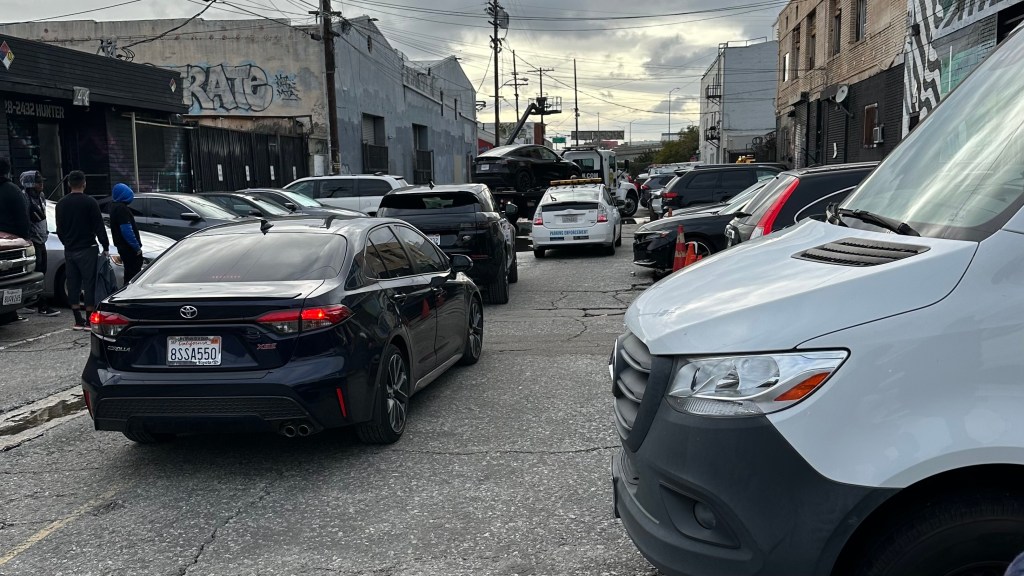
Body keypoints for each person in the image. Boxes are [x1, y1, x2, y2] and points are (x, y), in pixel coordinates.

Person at [55, 171, 109, 330]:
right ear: (84, 183)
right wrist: (105, 246)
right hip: (88, 248)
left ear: (69, 184)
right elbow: (99, 226)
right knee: (89, 283)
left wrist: (67, 242)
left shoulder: (61, 204)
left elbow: (59, 229)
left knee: (73, 283)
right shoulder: (90, 202)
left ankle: (77, 320)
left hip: (70, 249)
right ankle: (89, 319)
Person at [20, 170, 59, 316]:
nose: (41, 185)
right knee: (36, 272)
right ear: (30, 184)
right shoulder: (24, 198)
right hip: (32, 240)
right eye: (38, 182)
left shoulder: (40, 197)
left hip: (42, 238)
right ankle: (41, 305)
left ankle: (32, 300)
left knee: (42, 270)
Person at [0, 157, 31, 325]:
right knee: (11, 281)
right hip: (13, 243)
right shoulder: (12, 190)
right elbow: (22, 218)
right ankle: (9, 313)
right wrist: (25, 238)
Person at [108, 183, 143, 285]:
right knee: (133, 276)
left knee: (128, 273)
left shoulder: (114, 207)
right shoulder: (121, 209)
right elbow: (126, 230)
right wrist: (136, 248)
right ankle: (131, 296)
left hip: (123, 248)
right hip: (129, 249)